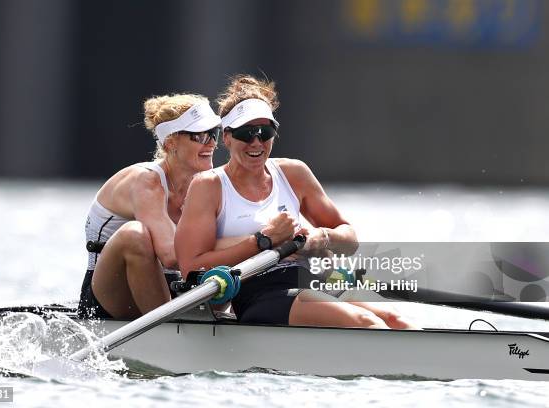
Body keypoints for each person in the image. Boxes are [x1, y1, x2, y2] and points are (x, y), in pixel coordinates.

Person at [175, 75, 416, 329]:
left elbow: (350, 239)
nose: (256, 142)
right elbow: (191, 266)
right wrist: (263, 240)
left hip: (315, 277)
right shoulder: (208, 186)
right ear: (227, 138)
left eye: (264, 132)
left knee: (396, 320)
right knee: (365, 322)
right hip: (260, 292)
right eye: (246, 134)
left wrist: (322, 237)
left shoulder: (294, 173)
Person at [78, 93, 221, 319]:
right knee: (135, 235)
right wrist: (255, 242)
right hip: (111, 292)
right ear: (170, 142)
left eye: (214, 133)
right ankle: (170, 332)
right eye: (200, 135)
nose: (211, 142)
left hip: (171, 286)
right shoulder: (146, 181)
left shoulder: (207, 185)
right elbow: (172, 256)